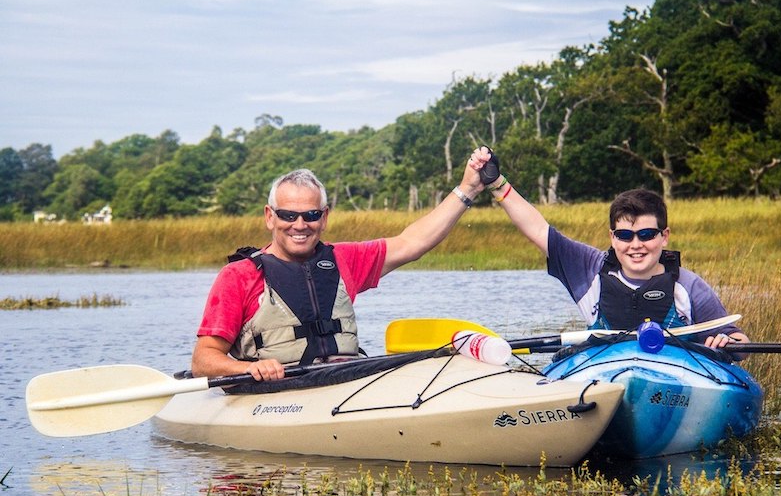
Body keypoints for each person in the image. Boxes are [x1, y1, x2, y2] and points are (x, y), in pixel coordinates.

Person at [192, 163, 484, 381]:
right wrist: (248, 369)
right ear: (270, 217)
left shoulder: (344, 259)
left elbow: (413, 242)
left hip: (344, 383)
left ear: (324, 217)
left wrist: (468, 188)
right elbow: (203, 360)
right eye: (288, 215)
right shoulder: (239, 276)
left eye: (311, 215)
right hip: (275, 394)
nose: (299, 225)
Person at [468, 146, 750, 354]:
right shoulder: (588, 268)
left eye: (647, 234)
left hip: (675, 384)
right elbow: (538, 229)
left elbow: (740, 342)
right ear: (612, 237)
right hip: (604, 379)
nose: (636, 245)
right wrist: (496, 183)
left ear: (664, 237)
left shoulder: (689, 286)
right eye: (625, 235)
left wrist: (727, 342)